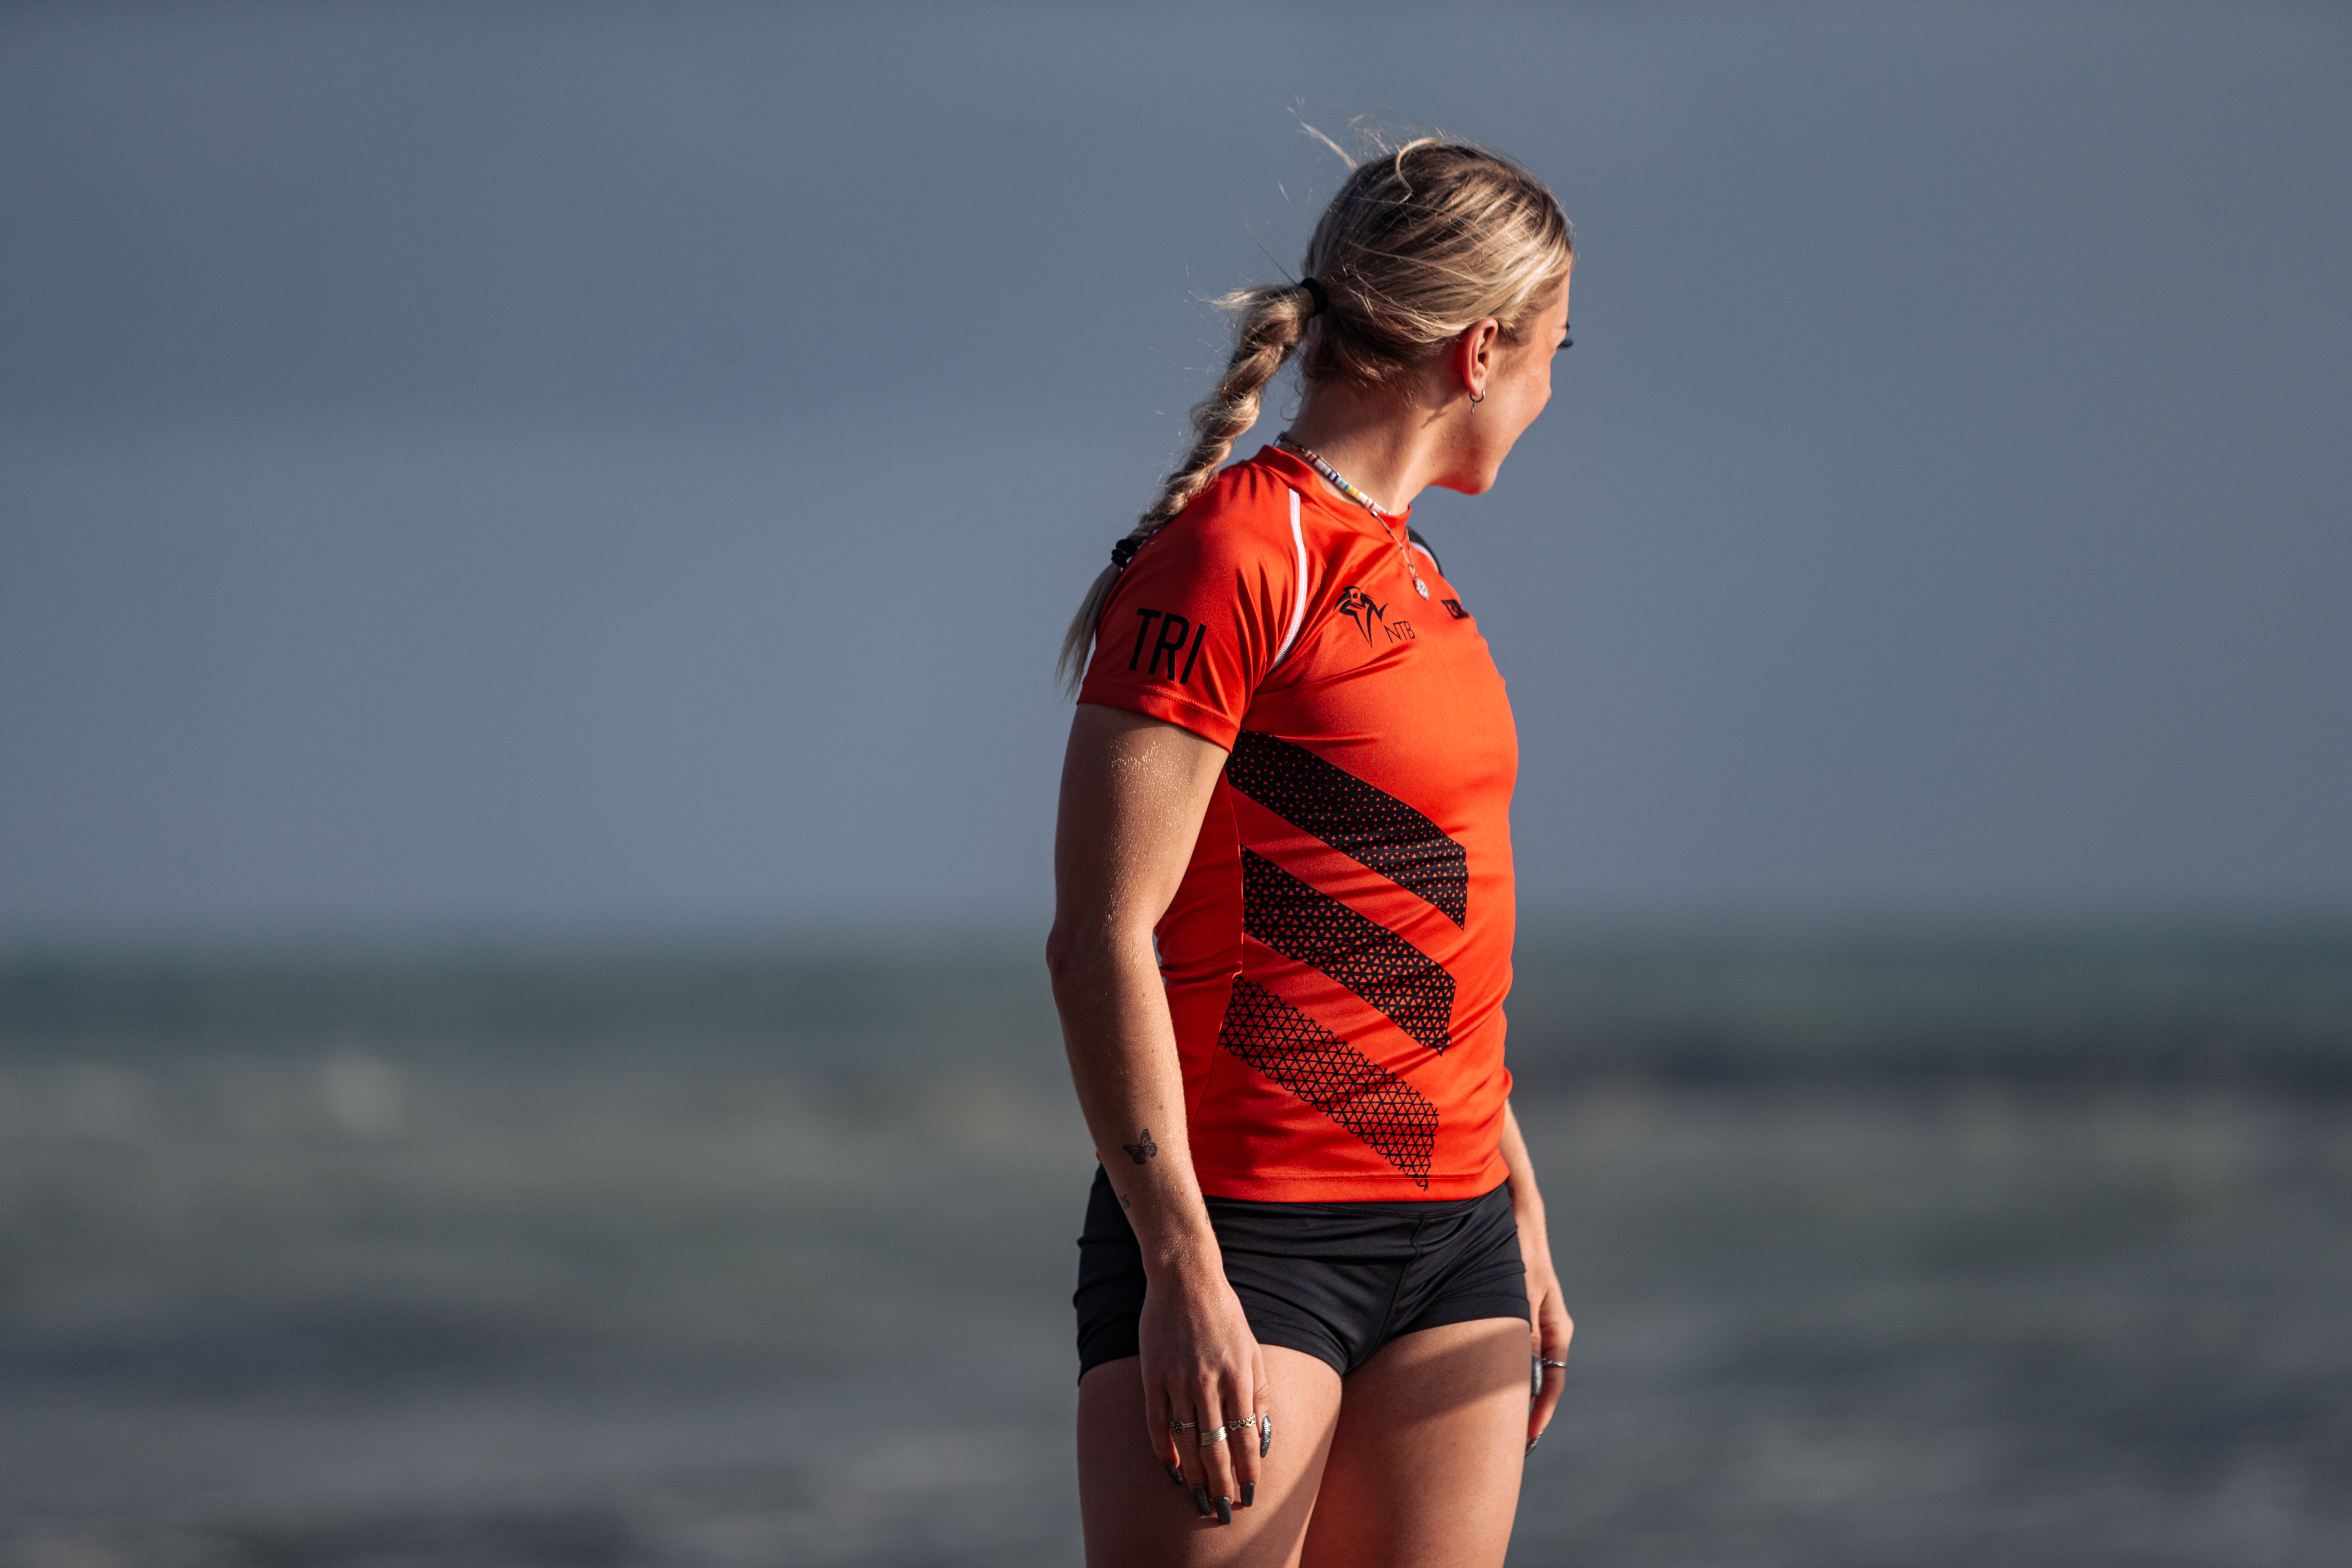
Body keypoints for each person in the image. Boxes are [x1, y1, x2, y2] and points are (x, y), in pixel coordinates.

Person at [1045, 134, 1576, 1566]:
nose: (1550, 392)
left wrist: (1513, 1193)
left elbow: (1404, 914)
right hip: (1252, 1238)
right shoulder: (1232, 559)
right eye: (1554, 350)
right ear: (1480, 352)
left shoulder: (1413, 574)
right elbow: (1102, 935)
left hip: (1453, 1238)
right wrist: (1179, 1269)